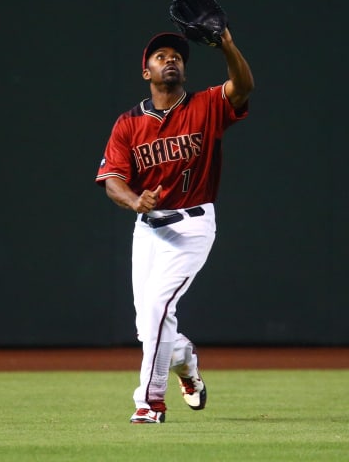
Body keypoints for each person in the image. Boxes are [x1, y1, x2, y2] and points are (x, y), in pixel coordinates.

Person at [95, 26, 254, 424]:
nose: (171, 60)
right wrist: (134, 200)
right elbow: (112, 179)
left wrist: (227, 45)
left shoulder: (206, 105)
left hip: (193, 225)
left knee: (156, 308)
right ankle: (186, 362)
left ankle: (150, 402)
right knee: (148, 327)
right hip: (148, 228)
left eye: (178, 56)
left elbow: (244, 85)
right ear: (146, 71)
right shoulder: (129, 123)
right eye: (161, 56)